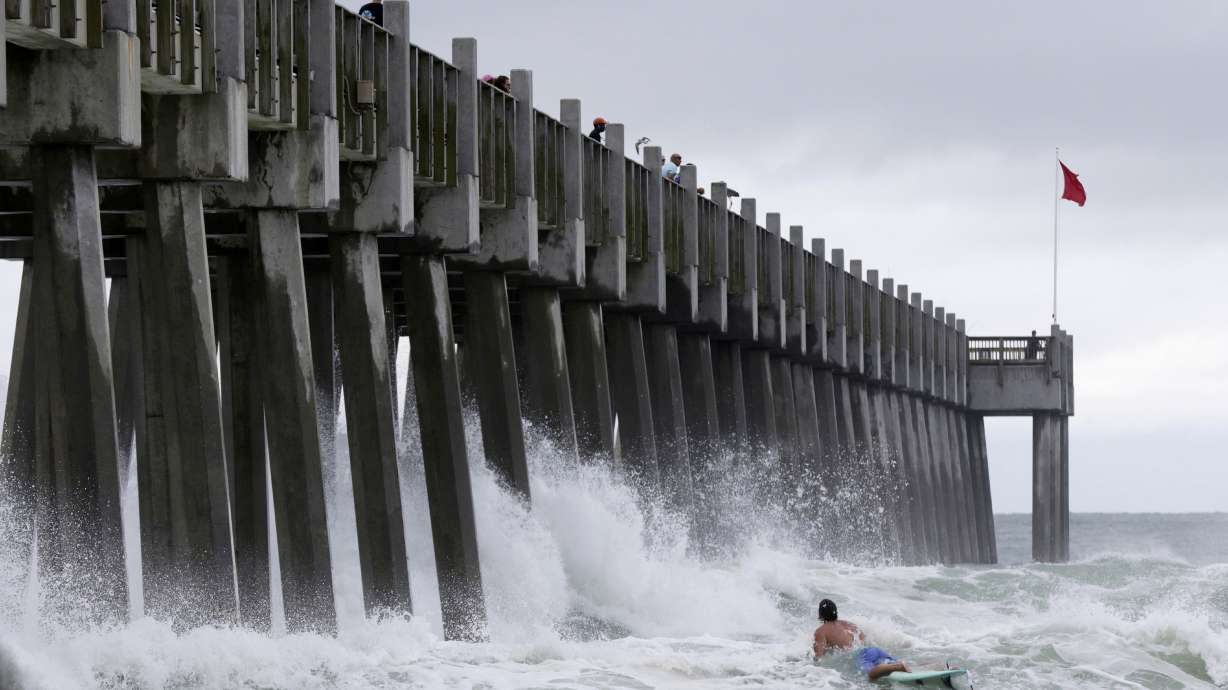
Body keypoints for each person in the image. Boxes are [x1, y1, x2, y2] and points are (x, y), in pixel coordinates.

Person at [812, 599, 909, 681]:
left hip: (860, 656)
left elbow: (818, 657)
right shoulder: (849, 624)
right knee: (891, 665)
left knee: (870, 675)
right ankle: (900, 666)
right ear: (835, 611)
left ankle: (897, 666)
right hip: (872, 650)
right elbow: (863, 639)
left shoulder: (821, 631)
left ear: (820, 614)